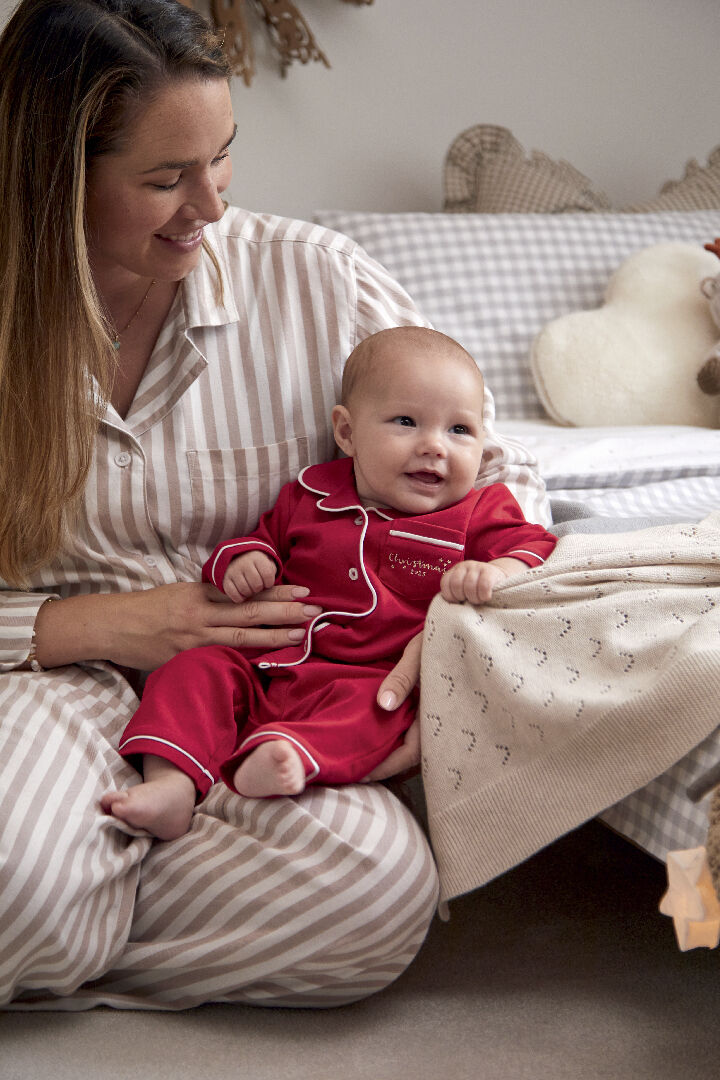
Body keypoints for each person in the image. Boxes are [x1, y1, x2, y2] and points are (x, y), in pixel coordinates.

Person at [0, 0, 551, 1011]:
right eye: (165, 179)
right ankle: (50, 895)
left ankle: (66, 909)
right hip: (53, 682)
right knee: (18, 885)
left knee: (377, 896)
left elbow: (496, 474)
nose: (209, 208)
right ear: (51, 182)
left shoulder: (318, 279)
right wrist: (90, 623)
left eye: (223, 158)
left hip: (288, 694)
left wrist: (459, 624)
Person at [102, 327, 557, 839]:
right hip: (268, 669)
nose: (434, 446)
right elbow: (263, 540)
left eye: (460, 431)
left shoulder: (479, 510)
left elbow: (535, 548)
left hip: (368, 677)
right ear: (346, 433)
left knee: (381, 711)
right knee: (193, 669)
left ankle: (291, 755)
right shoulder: (312, 492)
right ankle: (170, 783)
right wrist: (244, 562)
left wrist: (494, 571)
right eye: (406, 422)